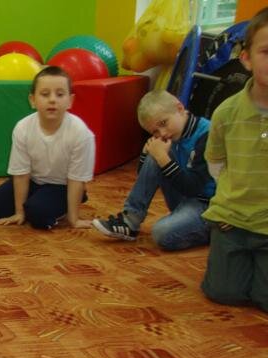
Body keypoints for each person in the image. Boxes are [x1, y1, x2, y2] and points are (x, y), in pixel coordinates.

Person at [200, 7, 268, 313]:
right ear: (247, 58)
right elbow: (216, 164)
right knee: (223, 293)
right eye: (267, 52)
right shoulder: (226, 113)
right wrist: (229, 202)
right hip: (234, 222)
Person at [92, 90, 214, 251]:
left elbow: (193, 188)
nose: (162, 133)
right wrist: (146, 154)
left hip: (207, 205)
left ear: (179, 108)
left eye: (163, 123)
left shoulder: (207, 134)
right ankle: (130, 220)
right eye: (155, 131)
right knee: (155, 154)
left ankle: (211, 231)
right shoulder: (170, 135)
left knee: (161, 233)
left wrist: (162, 158)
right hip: (185, 198)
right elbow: (145, 178)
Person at [0, 65, 95, 230]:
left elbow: (76, 179)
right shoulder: (23, 128)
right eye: (45, 94)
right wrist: (19, 212)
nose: (52, 100)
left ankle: (72, 199)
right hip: (32, 181)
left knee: (38, 215)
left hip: (62, 186)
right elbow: (21, 174)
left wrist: (73, 219)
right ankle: (30, 202)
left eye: (60, 94)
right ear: (32, 100)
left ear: (70, 101)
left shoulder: (80, 133)